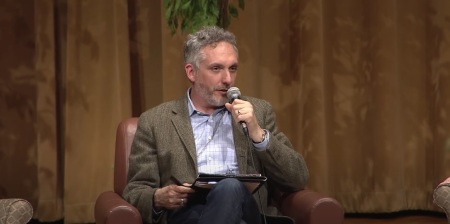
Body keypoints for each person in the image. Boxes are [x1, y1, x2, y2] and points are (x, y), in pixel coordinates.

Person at [122, 26, 309, 224]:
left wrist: (258, 134)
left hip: (246, 211)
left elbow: (297, 177)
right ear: (191, 72)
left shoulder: (258, 112)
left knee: (230, 187)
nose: (228, 79)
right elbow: (135, 190)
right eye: (216, 68)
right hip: (187, 215)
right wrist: (158, 197)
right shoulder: (155, 121)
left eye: (233, 68)